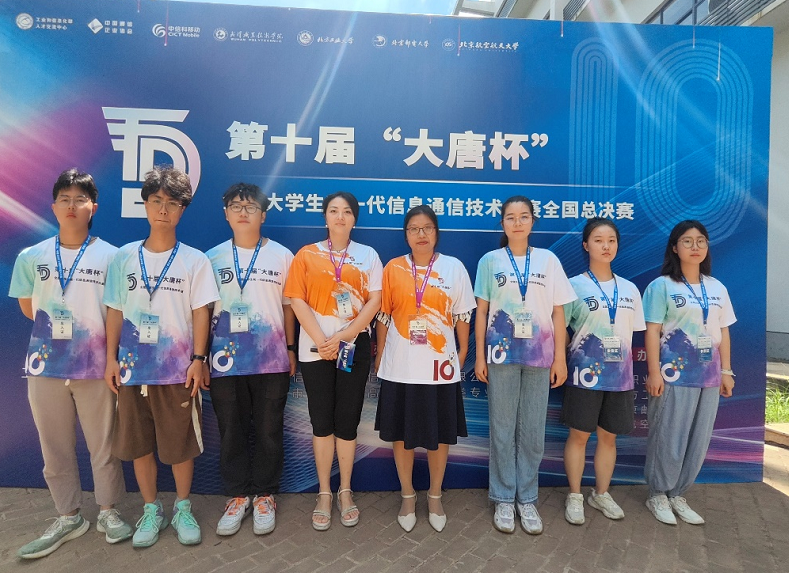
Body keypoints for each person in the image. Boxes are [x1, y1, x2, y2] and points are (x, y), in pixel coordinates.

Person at [9, 169, 132, 559]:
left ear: (93, 207)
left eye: (80, 199)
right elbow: (29, 307)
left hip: (96, 367)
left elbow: (117, 311)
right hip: (45, 367)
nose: (72, 206)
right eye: (65, 199)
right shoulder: (31, 257)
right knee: (55, 447)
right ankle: (68, 516)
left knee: (103, 444)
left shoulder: (113, 257)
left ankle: (108, 511)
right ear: (54, 207)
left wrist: (108, 356)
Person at [104, 166, 220, 547]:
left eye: (172, 203)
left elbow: (201, 312)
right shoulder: (123, 258)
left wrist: (199, 359)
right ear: (145, 205)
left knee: (180, 445)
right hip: (132, 372)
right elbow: (115, 311)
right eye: (156, 201)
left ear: (183, 209)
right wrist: (110, 359)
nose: (163, 210)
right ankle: (151, 509)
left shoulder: (195, 261)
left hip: (177, 372)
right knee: (139, 445)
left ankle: (183, 507)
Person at [474, 195, 576, 535]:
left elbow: (559, 312)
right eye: (510, 217)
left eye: (523, 216)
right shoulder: (490, 261)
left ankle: (527, 498)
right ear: (502, 223)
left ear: (533, 221)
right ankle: (504, 497)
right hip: (501, 357)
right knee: (502, 429)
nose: (517, 223)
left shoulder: (548, 260)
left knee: (532, 431)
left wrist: (560, 357)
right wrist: (479, 356)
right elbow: (482, 312)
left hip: (540, 357)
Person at [283, 191, 382, 530]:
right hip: (315, 347)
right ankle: (324, 492)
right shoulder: (306, 254)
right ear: (325, 217)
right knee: (321, 420)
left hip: (353, 345)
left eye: (347, 211)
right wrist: (322, 340)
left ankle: (345, 491)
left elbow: (375, 300)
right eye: (334, 210)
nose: (340, 216)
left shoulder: (367, 255)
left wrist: (345, 335)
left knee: (347, 420)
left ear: (354, 219)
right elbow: (296, 299)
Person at [374, 205, 475, 533]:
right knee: (401, 435)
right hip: (400, 365)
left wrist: (462, 350)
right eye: (414, 229)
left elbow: (462, 314)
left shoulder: (453, 267)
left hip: (439, 367)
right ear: (406, 235)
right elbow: (384, 315)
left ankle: (434, 495)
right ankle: (407, 495)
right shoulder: (393, 268)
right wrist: (380, 355)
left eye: (427, 228)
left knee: (438, 435)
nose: (421, 234)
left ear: (436, 233)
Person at [206, 183, 296, 536]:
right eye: (236, 206)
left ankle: (265, 495)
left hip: (271, 360)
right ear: (225, 213)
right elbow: (202, 312)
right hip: (224, 361)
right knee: (231, 429)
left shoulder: (282, 256)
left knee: (269, 430)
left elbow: (288, 309)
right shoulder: (211, 259)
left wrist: (291, 349)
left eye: (251, 206)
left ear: (263, 215)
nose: (243, 212)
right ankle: (238, 495)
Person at [643, 220, 736, 526]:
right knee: (669, 436)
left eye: (700, 241)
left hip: (709, 377)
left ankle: (678, 494)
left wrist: (726, 371)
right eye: (687, 241)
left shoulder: (717, 287)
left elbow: (723, 330)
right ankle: (658, 493)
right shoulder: (662, 286)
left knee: (698, 439)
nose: (695, 247)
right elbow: (652, 331)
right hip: (674, 375)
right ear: (674, 247)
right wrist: (654, 372)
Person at [562, 218, 645, 525]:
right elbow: (561, 329)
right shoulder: (573, 286)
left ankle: (601, 493)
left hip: (620, 379)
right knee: (579, 436)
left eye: (611, 240)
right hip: (584, 376)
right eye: (598, 240)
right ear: (586, 245)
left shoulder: (630, 289)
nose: (606, 246)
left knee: (608, 438)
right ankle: (574, 495)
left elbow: (633, 333)